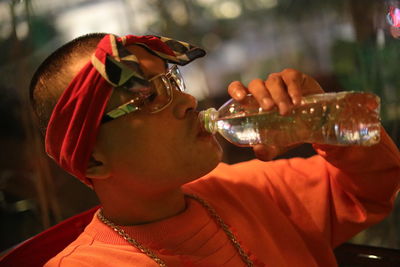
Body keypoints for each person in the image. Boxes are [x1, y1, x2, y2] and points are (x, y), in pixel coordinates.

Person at [29, 33, 400, 267]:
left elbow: (367, 190)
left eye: (173, 82)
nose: (189, 101)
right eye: (147, 97)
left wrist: (323, 118)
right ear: (93, 159)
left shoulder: (245, 188)